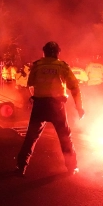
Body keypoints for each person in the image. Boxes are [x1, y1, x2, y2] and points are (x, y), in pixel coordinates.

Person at [15, 41, 85, 176]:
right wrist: (79, 108)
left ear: (44, 52)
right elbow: (75, 87)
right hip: (57, 106)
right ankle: (71, 167)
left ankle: (21, 166)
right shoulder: (62, 67)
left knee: (31, 137)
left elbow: (29, 85)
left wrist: (32, 99)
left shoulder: (37, 66)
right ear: (58, 53)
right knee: (65, 136)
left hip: (40, 105)